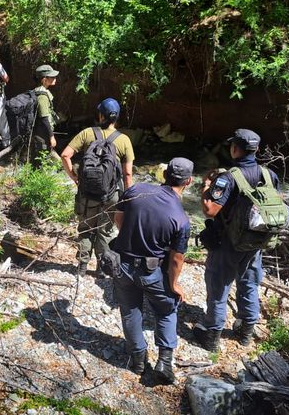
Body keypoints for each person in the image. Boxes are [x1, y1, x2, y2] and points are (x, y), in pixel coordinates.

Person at [194, 128, 281, 352]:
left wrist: (205, 186)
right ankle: (245, 333)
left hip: (227, 244)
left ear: (234, 149)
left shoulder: (228, 177)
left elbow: (210, 210)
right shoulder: (269, 175)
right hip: (256, 244)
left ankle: (211, 337)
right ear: (256, 149)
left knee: (218, 287)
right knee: (249, 284)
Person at [112, 157, 193, 384]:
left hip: (123, 265)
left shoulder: (136, 190)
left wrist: (131, 237)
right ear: (189, 182)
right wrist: (174, 284)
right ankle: (164, 363)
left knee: (130, 311)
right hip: (152, 271)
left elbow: (118, 219)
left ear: (165, 174)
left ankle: (138, 361)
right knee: (166, 309)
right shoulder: (181, 219)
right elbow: (177, 259)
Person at [60, 97, 134, 276]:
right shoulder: (124, 140)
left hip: (87, 193)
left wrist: (75, 177)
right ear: (116, 118)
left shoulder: (87, 133)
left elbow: (65, 155)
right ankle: (102, 267)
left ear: (100, 115)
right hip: (112, 194)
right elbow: (128, 174)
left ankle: (82, 267)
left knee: (86, 228)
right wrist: (127, 197)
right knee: (105, 231)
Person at [31, 64, 61, 163]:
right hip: (42, 135)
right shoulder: (42, 96)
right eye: (52, 77)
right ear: (44, 80)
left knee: (51, 159)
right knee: (42, 160)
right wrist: (52, 137)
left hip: (42, 133)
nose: (55, 78)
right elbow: (44, 118)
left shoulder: (39, 91)